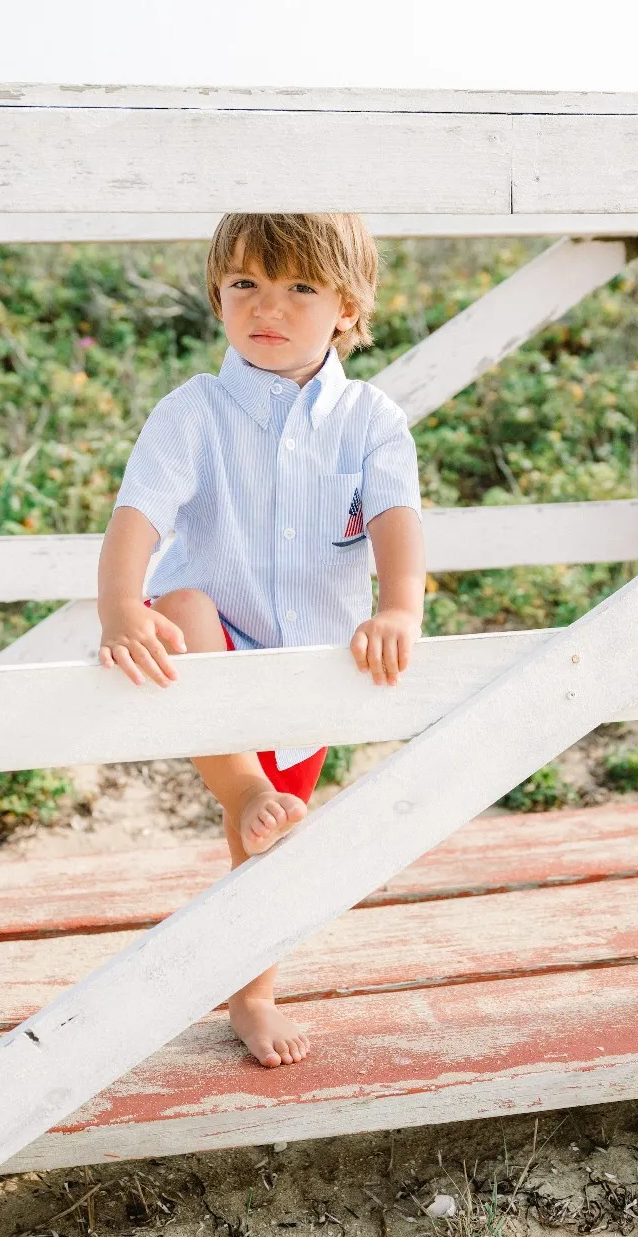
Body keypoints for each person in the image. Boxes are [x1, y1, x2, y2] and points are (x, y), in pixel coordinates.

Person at [97, 212, 425, 1068]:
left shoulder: (369, 418)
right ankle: (239, 784)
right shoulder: (195, 411)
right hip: (216, 638)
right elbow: (140, 510)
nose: (266, 307)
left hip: (315, 662)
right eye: (245, 284)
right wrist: (121, 606)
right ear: (217, 295)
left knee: (270, 848)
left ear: (347, 308)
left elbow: (396, 516)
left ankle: (253, 994)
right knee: (186, 602)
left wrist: (399, 609)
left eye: (299, 289)